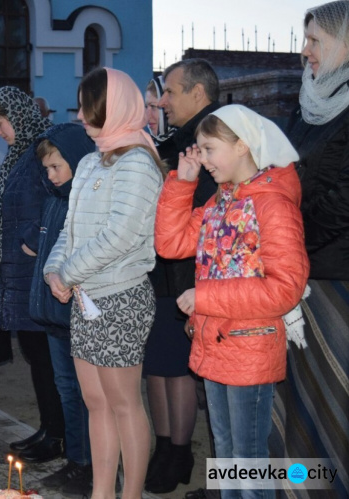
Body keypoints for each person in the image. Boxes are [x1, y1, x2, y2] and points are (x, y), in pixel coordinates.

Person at [155, 105, 310, 499]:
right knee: (226, 458)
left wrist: (204, 296)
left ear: (242, 145)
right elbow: (171, 244)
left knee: (248, 461)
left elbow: (284, 288)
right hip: (216, 343)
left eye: (209, 149)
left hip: (250, 347)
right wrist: (181, 184)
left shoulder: (273, 204)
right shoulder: (221, 201)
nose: (202, 159)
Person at [44, 67, 164, 498]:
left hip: (121, 296)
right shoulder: (94, 159)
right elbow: (69, 229)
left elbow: (121, 235)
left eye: (86, 106)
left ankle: (129, 494)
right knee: (96, 403)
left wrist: (68, 273)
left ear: (111, 109)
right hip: (85, 296)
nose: (79, 115)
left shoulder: (137, 162)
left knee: (124, 404)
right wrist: (53, 271)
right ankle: (101, 491)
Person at [273, 2, 349, 497]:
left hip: (335, 282)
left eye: (315, 40)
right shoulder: (303, 108)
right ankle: (300, 489)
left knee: (336, 405)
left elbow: (344, 203)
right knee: (297, 402)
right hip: (295, 275)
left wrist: (287, 240)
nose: (305, 52)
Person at [144, 58, 221, 494]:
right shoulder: (173, 141)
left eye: (171, 92)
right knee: (158, 366)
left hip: (195, 276)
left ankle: (180, 450)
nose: (162, 100)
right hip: (161, 271)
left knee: (182, 368)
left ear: (197, 93)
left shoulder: (214, 139)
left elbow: (208, 211)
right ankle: (164, 448)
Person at [0, 86, 63, 463]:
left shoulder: (39, 153)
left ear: (18, 116)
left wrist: (32, 242)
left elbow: (58, 200)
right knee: (35, 354)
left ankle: (57, 435)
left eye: (0, 124)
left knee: (46, 356)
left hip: (36, 270)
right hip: (20, 271)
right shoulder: (20, 154)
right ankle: (49, 428)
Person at [23, 123, 95, 495]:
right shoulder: (55, 199)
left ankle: (90, 466)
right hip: (54, 313)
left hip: (78, 312)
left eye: (56, 168)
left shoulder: (84, 199)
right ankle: (76, 461)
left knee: (87, 395)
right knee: (67, 388)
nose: (50, 176)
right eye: (47, 169)